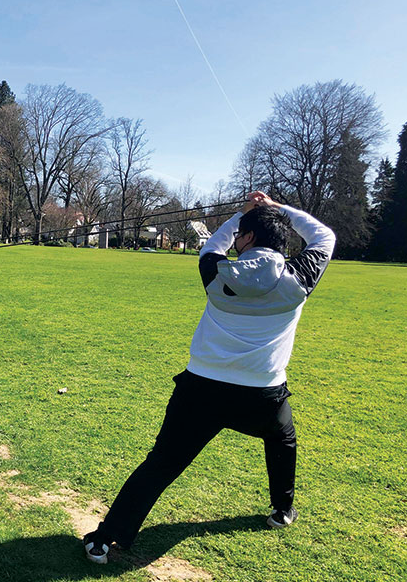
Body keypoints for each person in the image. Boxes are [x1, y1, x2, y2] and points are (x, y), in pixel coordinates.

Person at [83, 191, 336, 564]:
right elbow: (324, 237)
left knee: (162, 463)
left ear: (246, 238)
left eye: (243, 234)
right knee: (283, 441)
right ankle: (283, 510)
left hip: (201, 390)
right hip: (263, 394)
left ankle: (104, 541)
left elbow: (215, 243)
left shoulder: (216, 270)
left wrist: (243, 214)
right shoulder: (300, 278)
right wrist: (276, 209)